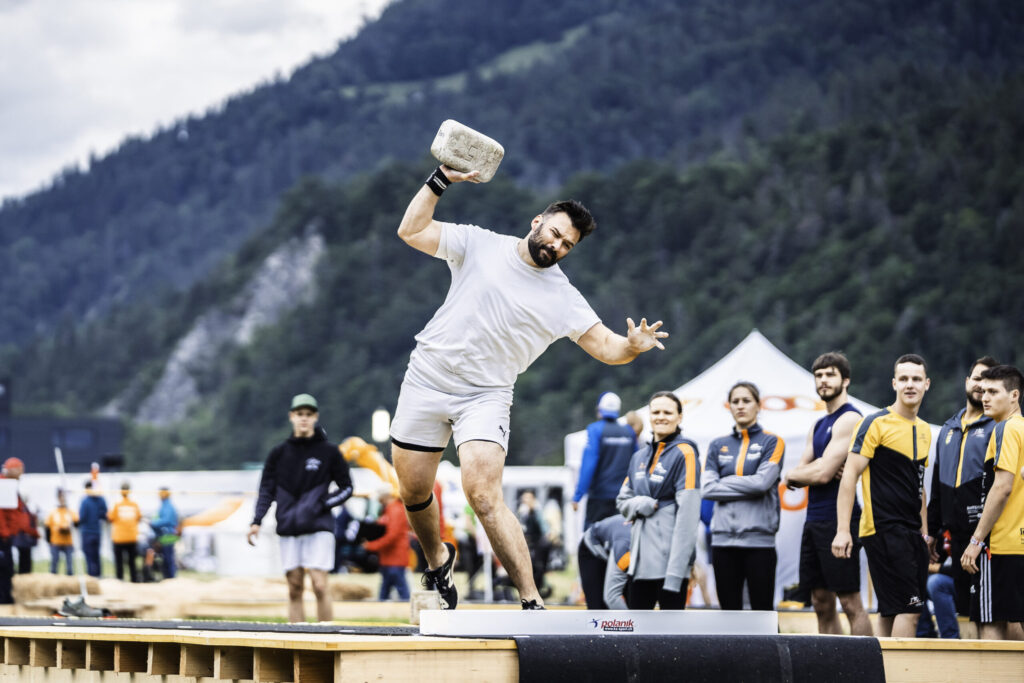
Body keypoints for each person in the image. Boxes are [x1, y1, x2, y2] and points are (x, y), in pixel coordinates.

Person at [389, 162, 668, 611]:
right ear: (537, 221)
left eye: (567, 245)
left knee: (483, 494)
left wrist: (632, 345)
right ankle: (438, 558)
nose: (556, 246)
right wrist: (439, 181)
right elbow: (412, 230)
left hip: (485, 395)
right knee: (413, 492)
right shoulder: (480, 244)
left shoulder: (562, 296)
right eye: (554, 233)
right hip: (427, 377)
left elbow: (606, 346)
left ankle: (532, 600)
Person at [832, 354, 933, 638]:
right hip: (882, 529)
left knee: (890, 610)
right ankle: (902, 667)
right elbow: (849, 476)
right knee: (910, 610)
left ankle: (883, 665)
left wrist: (925, 534)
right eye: (904, 379)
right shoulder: (875, 423)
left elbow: (919, 485)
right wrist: (843, 530)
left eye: (916, 379)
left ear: (926, 384)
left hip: (911, 533)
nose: (910, 384)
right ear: (894, 383)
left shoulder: (925, 430)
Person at [782, 352, 871, 635]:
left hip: (840, 519)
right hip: (814, 520)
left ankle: (864, 660)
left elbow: (820, 473)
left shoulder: (849, 418)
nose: (823, 380)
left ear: (845, 381)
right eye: (818, 375)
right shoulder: (819, 425)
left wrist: (814, 471)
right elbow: (795, 474)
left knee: (849, 601)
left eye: (830, 375)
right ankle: (831, 659)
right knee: (820, 601)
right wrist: (800, 474)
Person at [248, 393, 353, 623]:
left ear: (315, 417)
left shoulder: (329, 452)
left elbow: (347, 487)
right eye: (299, 414)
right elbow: (266, 490)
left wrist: (323, 504)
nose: (304, 418)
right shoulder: (278, 453)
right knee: (294, 588)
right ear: (291, 416)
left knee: (319, 585)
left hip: (318, 526)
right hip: (288, 526)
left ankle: (327, 635)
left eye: (308, 414)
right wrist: (256, 521)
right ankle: (296, 636)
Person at [928, 355, 999, 636]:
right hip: (956, 541)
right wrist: (932, 532)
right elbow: (937, 488)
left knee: (993, 615)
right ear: (967, 381)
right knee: (969, 612)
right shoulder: (948, 428)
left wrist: (980, 538)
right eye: (978, 378)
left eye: (990, 382)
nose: (982, 386)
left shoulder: (997, 426)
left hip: (987, 539)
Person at [703, 382, 784, 611]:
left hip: (759, 541)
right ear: (729, 406)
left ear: (758, 405)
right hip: (722, 541)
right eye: (735, 401)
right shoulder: (717, 445)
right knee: (729, 615)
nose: (740, 406)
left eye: (746, 401)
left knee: (762, 614)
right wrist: (748, 483)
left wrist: (724, 482)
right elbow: (708, 489)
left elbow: (762, 483)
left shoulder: (772, 442)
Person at [616, 391, 701, 610]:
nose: (661, 417)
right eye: (656, 412)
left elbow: (688, 518)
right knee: (636, 629)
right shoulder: (639, 456)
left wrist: (677, 572)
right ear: (649, 416)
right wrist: (643, 504)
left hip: (670, 567)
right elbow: (622, 501)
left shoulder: (686, 453)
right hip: (639, 565)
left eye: (667, 412)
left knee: (672, 630)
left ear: (679, 417)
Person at [960, 365, 1024, 640]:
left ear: (1014, 395)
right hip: (1019, 544)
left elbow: (1001, 488)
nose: (984, 397)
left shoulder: (1005, 429)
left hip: (1000, 545)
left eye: (994, 392)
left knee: (990, 624)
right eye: (983, 391)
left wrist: (976, 540)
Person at [572, 392, 638, 529]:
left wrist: (578, 496)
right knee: (621, 537)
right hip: (623, 498)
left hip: (599, 498)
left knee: (592, 538)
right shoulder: (629, 432)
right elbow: (637, 464)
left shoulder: (595, 430)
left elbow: (589, 464)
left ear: (600, 409)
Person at [363, 485, 411, 601]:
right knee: (387, 591)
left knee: (399, 592)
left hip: (395, 558)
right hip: (389, 558)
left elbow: (392, 536)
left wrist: (371, 545)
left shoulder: (395, 510)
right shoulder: (390, 510)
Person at [577, 513, 631, 609]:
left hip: (616, 541)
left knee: (632, 600)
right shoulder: (623, 550)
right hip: (592, 549)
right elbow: (612, 597)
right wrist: (631, 618)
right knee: (598, 606)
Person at [3, 458, 39, 574]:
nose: (21, 473)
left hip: (14, 533)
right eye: (20, 469)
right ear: (12, 470)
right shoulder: (4, 485)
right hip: (8, 534)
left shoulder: (10, 486)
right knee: (7, 567)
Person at [517, 490, 552, 600]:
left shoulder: (537, 511)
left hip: (539, 546)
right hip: (530, 545)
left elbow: (545, 530)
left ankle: (538, 590)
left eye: (527, 498)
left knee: (538, 568)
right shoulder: (524, 512)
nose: (525, 500)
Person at [108, 481, 141, 582]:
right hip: (131, 537)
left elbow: (110, 518)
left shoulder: (117, 505)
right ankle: (133, 580)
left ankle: (120, 579)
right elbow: (139, 517)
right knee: (132, 562)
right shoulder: (134, 505)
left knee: (119, 561)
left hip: (119, 538)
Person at [78, 480, 108, 577]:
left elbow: (82, 517)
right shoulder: (100, 500)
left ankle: (91, 576)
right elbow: (104, 514)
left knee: (89, 556)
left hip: (87, 532)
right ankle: (98, 575)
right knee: (96, 555)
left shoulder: (85, 501)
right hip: (97, 532)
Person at [45, 489, 77, 575]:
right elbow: (47, 527)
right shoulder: (53, 512)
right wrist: (49, 541)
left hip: (68, 541)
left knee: (69, 565)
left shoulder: (70, 512)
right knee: (54, 562)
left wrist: (68, 528)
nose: (62, 499)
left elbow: (76, 523)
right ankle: (53, 577)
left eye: (64, 496)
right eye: (61, 496)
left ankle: (69, 578)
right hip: (56, 541)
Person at [151, 486, 180, 579]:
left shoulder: (168, 506)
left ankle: (171, 577)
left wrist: (153, 523)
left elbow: (166, 520)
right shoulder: (164, 506)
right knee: (165, 559)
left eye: (161, 493)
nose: (159, 496)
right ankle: (168, 578)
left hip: (168, 536)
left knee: (168, 559)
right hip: (164, 536)